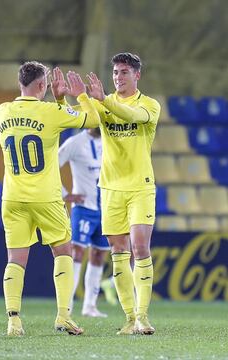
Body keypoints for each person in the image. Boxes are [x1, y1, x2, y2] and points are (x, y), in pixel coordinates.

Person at [0, 61, 100, 336]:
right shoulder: (51, 112)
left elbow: (44, 120)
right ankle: (64, 316)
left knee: (15, 259)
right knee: (63, 252)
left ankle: (13, 321)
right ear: (43, 86)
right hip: (46, 197)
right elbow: (92, 119)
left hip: (13, 197)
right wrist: (79, 96)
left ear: (21, 82)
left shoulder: (2, 111)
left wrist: (57, 100)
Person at [86, 53, 161, 335]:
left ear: (137, 75)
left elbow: (131, 116)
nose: (119, 77)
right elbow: (83, 120)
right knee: (118, 251)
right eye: (116, 72)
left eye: (125, 72)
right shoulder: (103, 104)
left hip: (140, 187)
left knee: (140, 247)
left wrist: (103, 100)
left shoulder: (149, 105)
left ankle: (143, 315)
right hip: (110, 188)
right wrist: (76, 98)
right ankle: (130, 318)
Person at [59, 127, 116, 317]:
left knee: (99, 254)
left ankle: (89, 306)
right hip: (84, 209)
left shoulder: (111, 140)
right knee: (76, 252)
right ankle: (66, 306)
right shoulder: (75, 143)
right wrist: (65, 194)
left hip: (106, 209)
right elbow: (51, 166)